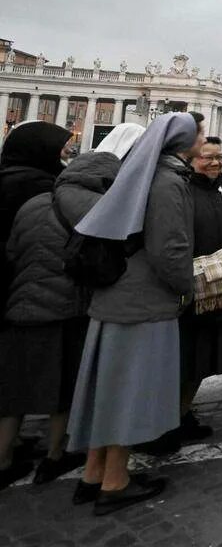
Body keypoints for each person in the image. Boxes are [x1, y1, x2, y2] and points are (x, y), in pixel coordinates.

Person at [67, 113, 202, 514]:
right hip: (143, 302)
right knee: (129, 388)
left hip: (114, 298)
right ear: (182, 143)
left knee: (108, 386)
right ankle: (115, 481)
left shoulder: (138, 173)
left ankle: (93, 473)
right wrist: (187, 288)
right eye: (197, 136)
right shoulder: (167, 183)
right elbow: (170, 249)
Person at [150, 137, 222, 453]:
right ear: (190, 160)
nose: (214, 163)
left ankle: (182, 413)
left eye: (219, 157)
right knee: (180, 359)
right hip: (186, 295)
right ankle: (163, 422)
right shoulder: (177, 192)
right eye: (206, 157)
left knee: (202, 360)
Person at [0, 122, 85, 488]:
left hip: (15, 296)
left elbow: (14, 249)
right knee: (61, 380)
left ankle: (6, 453)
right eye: (62, 148)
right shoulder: (47, 192)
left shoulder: (13, 185)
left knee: (14, 382)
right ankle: (56, 453)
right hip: (57, 300)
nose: (65, 153)